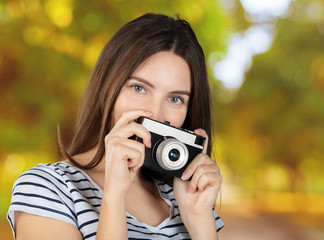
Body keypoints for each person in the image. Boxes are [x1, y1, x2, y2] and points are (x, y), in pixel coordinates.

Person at [7, 13, 224, 239]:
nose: (156, 114)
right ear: (107, 87)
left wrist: (200, 221)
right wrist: (114, 196)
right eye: (139, 88)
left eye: (175, 99)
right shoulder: (48, 188)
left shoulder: (184, 197)